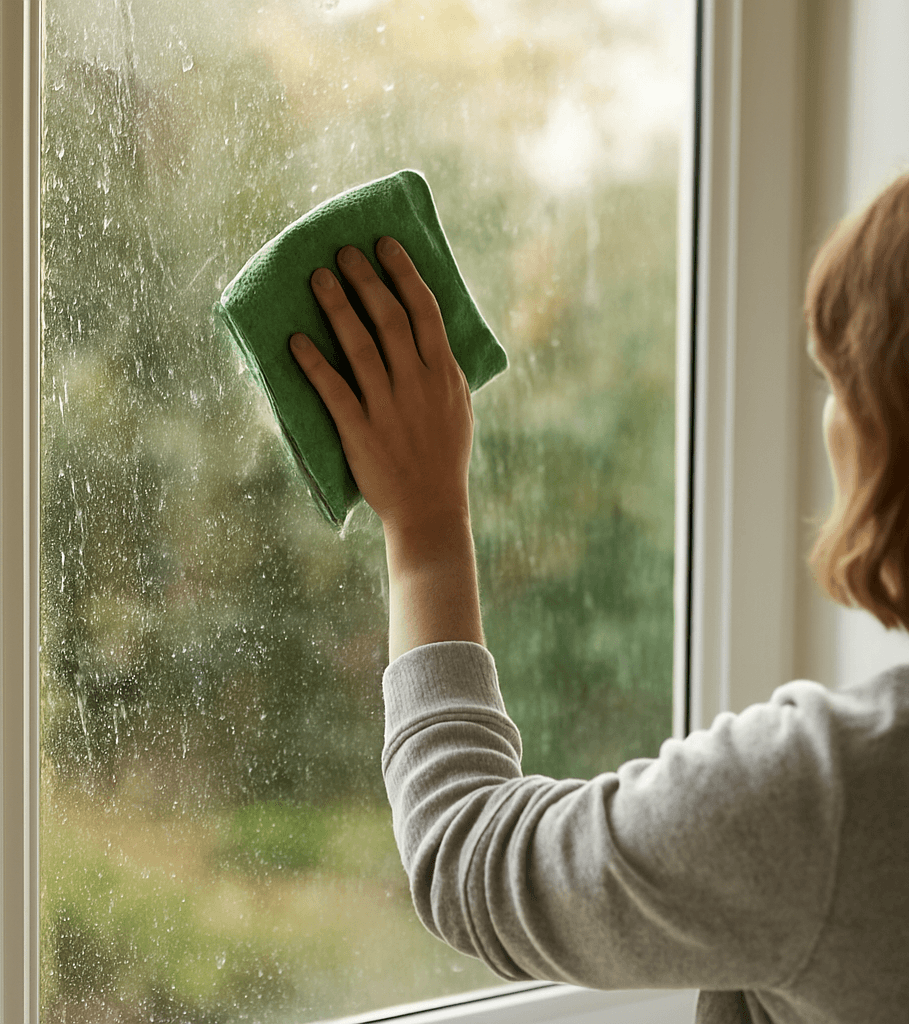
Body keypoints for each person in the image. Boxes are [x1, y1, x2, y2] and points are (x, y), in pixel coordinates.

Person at [287, 176, 909, 1023]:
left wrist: (425, 524)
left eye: (840, 382)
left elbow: (466, 856)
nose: (830, 418)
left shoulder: (835, 803)